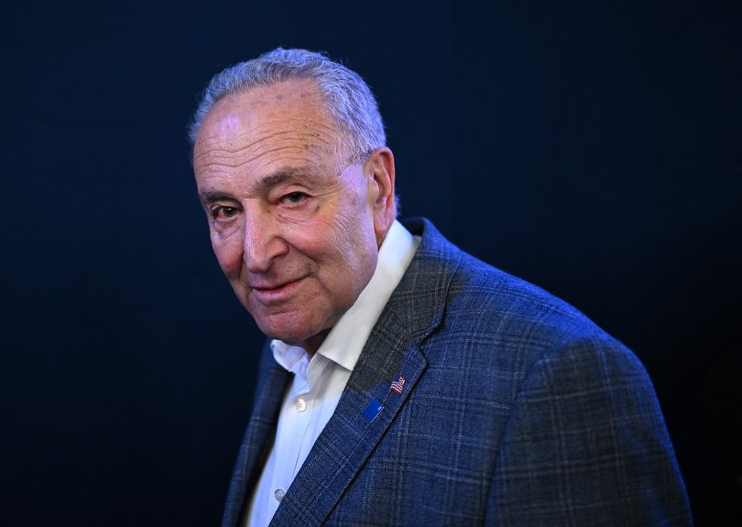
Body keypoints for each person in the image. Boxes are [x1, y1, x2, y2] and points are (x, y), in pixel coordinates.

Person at [188, 48, 692, 526]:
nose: (255, 254)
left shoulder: (553, 373)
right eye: (226, 211)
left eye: (292, 196)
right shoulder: (291, 335)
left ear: (378, 188)